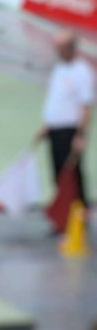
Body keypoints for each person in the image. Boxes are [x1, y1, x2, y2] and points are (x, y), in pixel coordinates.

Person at [34, 30, 94, 219]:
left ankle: (80, 214)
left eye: (59, 48)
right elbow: (56, 99)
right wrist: (47, 125)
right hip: (55, 128)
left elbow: (86, 106)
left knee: (72, 173)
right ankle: (63, 212)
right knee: (57, 172)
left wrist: (80, 135)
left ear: (70, 49)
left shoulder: (82, 72)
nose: (57, 52)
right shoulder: (59, 68)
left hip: (70, 130)